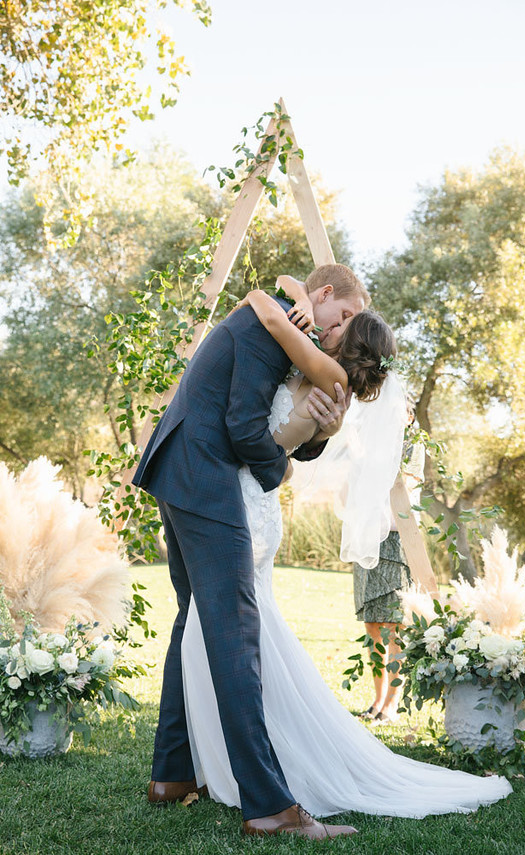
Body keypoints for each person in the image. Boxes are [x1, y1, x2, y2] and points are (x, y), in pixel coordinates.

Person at [180, 286, 513, 819]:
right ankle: (206, 764)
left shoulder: (322, 370)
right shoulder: (316, 371)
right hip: (235, 494)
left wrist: (266, 301)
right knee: (215, 631)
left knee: (233, 636)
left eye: (344, 323)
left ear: (350, 338)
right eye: (341, 315)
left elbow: (270, 336)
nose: (330, 328)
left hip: (243, 498)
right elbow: (289, 432)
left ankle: (264, 780)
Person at [132, 264, 368, 840]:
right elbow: (242, 428)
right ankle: (270, 808)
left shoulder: (287, 328)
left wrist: (315, 436)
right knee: (235, 636)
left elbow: (265, 416)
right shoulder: (272, 328)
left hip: (179, 469)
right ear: (327, 295)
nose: (344, 330)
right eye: (348, 317)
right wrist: (280, 469)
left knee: (192, 622)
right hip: (207, 477)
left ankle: (173, 775)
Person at [355, 396, 425, 723]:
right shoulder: (370, 441)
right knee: (372, 625)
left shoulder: (414, 446)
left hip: (397, 540)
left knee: (393, 627)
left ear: (409, 415)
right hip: (369, 537)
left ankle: (392, 702)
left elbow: (405, 487)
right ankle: (377, 697)